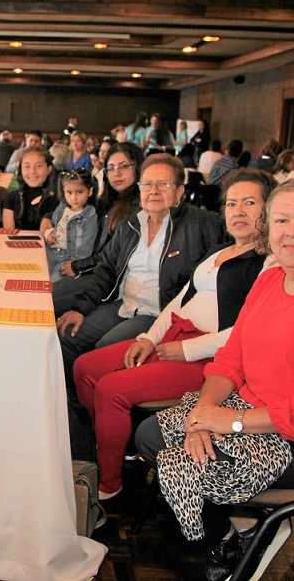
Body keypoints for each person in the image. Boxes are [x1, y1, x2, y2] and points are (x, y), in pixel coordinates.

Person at [134, 177, 294, 580]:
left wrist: (230, 422)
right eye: (282, 220)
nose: (293, 231)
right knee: (150, 436)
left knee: (193, 464)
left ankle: (245, 534)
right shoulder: (269, 280)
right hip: (255, 414)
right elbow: (231, 359)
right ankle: (246, 529)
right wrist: (204, 412)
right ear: (269, 228)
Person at [74, 169, 274, 500]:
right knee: (85, 368)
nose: (238, 212)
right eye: (232, 203)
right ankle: (115, 444)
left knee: (110, 389)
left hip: (210, 361)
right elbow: (179, 300)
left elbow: (249, 331)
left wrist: (189, 350)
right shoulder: (219, 251)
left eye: (249, 203)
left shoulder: (269, 263)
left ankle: (109, 484)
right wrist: (149, 338)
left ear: (268, 210)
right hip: (173, 338)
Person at [56, 153, 225, 388]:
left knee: (104, 348)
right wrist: (80, 308)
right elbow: (107, 269)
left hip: (159, 314)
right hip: (124, 305)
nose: (153, 191)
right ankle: (77, 406)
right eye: (147, 184)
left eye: (163, 184)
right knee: (68, 334)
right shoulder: (131, 224)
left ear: (179, 191)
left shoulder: (203, 224)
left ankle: (103, 401)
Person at [52, 142, 145, 314]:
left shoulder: (138, 209)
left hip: (106, 280)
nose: (116, 173)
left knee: (48, 300)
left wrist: (78, 266)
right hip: (88, 267)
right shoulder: (108, 200)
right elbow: (72, 208)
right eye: (111, 168)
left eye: (123, 166)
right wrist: (46, 220)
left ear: (138, 167)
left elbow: (112, 257)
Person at [42, 169, 98, 283]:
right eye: (69, 192)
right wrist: (49, 234)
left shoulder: (90, 216)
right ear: (63, 191)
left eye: (79, 192)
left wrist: (75, 264)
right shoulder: (61, 209)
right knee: (39, 273)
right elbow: (55, 228)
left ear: (90, 191)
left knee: (54, 282)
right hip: (52, 252)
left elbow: (87, 246)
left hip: (69, 258)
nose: (74, 198)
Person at [1, 146, 59, 230]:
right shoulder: (11, 198)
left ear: (49, 169)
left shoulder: (57, 200)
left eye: (39, 166)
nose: (32, 171)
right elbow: (9, 232)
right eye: (27, 166)